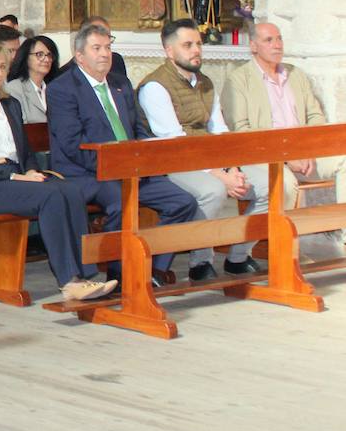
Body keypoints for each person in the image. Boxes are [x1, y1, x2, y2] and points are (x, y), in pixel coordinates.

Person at [0, 39, 118, 302]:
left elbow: (25, 153)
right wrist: (15, 175)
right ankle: (69, 281)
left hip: (15, 176)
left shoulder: (10, 104)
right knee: (49, 197)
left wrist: (34, 172)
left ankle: (87, 274)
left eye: (3, 67)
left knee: (70, 191)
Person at [46, 22, 200, 283]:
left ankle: (152, 267)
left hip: (128, 169)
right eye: (97, 48)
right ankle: (121, 275)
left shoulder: (120, 84)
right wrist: (117, 167)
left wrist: (145, 157)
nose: (105, 54)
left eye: (108, 47)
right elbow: (73, 145)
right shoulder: (62, 89)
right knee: (122, 203)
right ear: (80, 55)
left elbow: (137, 129)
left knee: (183, 202)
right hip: (86, 173)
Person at [138, 19, 269, 279]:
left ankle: (239, 256)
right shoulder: (154, 87)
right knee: (213, 190)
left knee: (272, 185)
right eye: (187, 45)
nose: (196, 50)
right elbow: (175, 142)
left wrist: (233, 168)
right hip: (172, 163)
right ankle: (200, 262)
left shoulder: (206, 83)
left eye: (198, 44)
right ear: (169, 50)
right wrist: (222, 176)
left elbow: (219, 131)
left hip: (211, 158)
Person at [222, 22, 339, 205]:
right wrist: (285, 156)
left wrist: (306, 150)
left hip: (304, 154)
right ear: (253, 46)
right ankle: (286, 234)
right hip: (265, 157)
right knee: (285, 184)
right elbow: (241, 131)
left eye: (279, 39)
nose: (277, 45)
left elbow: (315, 116)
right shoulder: (238, 80)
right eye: (269, 40)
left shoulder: (296, 74)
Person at [57, 15, 129, 82]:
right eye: (96, 48)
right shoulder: (63, 77)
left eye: (107, 36)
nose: (104, 54)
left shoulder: (116, 60)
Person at [7, 35, 61, 124]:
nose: (46, 59)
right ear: (26, 57)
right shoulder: (14, 89)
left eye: (49, 55)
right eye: (39, 54)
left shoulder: (55, 89)